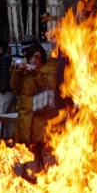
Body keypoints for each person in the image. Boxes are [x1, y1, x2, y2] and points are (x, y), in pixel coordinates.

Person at [10, 42, 59, 178]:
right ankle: (31, 178)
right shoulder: (24, 69)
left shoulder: (50, 68)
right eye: (31, 57)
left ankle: (50, 178)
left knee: (45, 149)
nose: (33, 60)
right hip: (26, 114)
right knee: (30, 149)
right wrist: (18, 70)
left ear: (42, 57)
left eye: (37, 57)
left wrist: (37, 75)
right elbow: (14, 86)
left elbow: (50, 87)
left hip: (43, 115)